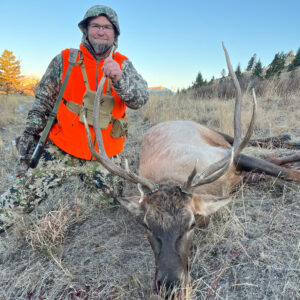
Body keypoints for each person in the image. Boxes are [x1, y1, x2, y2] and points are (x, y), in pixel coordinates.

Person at [0, 5, 149, 233]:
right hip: (62, 149)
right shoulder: (66, 59)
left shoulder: (124, 64)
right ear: (86, 29)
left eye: (107, 27)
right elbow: (42, 103)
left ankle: (79, 204)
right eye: (95, 26)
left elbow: (140, 99)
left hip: (105, 156)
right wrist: (29, 141)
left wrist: (119, 78)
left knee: (112, 211)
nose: (101, 31)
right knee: (14, 204)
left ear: (115, 33)